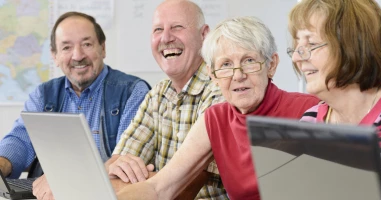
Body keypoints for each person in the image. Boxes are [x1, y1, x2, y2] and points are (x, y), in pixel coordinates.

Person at [115, 16, 320, 200]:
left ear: (271, 65)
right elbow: (160, 187)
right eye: (225, 65)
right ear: (212, 75)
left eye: (249, 61)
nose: (237, 75)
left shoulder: (310, 109)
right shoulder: (215, 118)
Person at [0, 11, 150, 199]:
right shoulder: (42, 95)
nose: (78, 56)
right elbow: (20, 140)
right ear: (54, 55)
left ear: (103, 48)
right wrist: (2, 164)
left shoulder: (133, 92)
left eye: (87, 44)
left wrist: (62, 179)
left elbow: (124, 164)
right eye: (66, 47)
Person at [105, 0, 227, 199]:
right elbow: (117, 167)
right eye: (158, 29)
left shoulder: (222, 89)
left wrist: (144, 180)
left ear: (204, 35)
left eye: (177, 27)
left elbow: (187, 185)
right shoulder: (158, 93)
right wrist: (122, 170)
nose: (166, 37)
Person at [286, 0, 381, 199]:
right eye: (297, 45)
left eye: (311, 44)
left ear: (352, 46)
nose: (296, 56)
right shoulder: (311, 119)